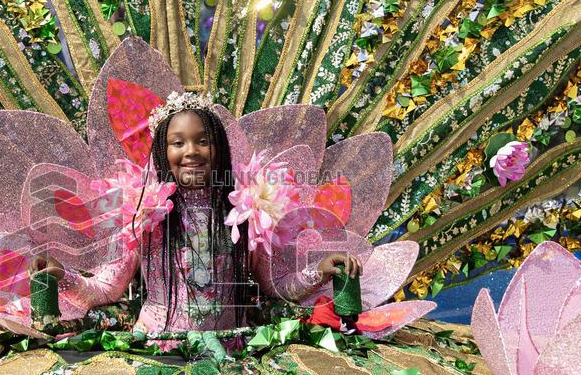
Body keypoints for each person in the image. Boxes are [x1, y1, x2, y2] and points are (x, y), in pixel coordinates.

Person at [28, 94, 362, 337]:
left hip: (231, 353)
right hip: (159, 352)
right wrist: (63, 276)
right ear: (163, 151)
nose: (191, 151)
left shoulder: (248, 211)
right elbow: (105, 290)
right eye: (178, 143)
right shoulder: (141, 212)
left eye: (203, 141)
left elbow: (274, 286)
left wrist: (318, 271)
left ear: (219, 149)